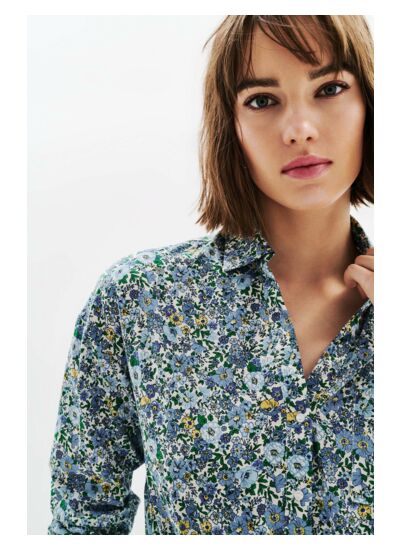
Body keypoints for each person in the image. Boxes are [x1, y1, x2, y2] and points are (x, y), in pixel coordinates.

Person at [47, 15, 374, 535]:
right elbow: (83, 521)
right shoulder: (140, 300)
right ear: (230, 126)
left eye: (330, 89)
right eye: (262, 100)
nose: (300, 129)